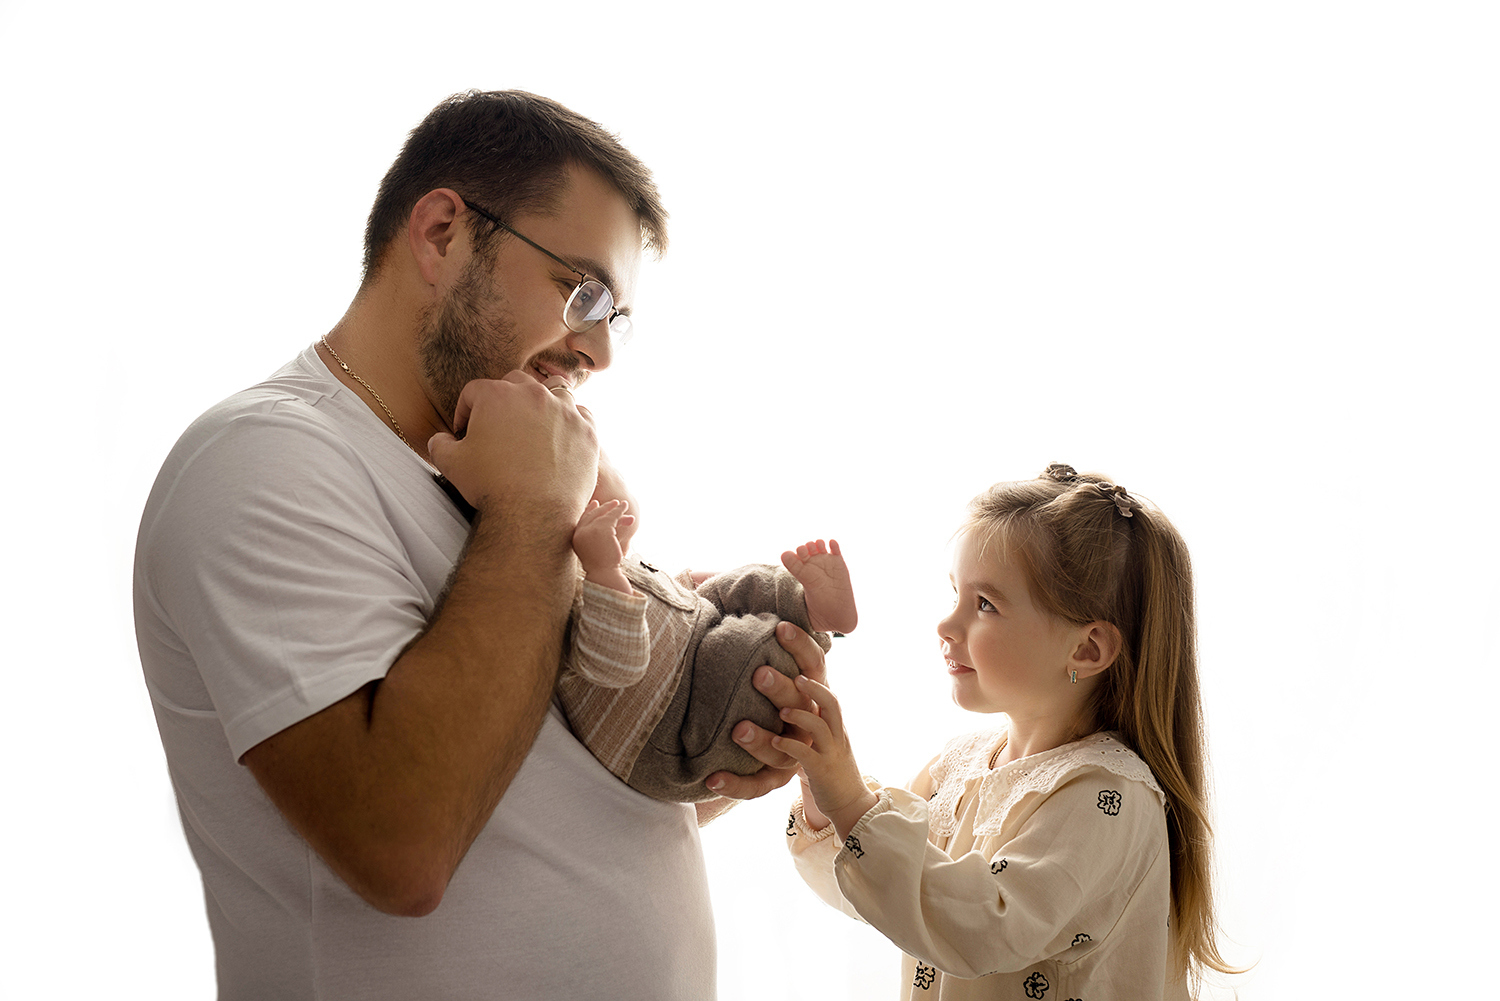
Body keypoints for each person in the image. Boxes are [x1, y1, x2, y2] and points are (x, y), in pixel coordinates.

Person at [132, 89, 802, 1001]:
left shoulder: (502, 463)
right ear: (444, 232)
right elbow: (402, 844)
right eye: (584, 291)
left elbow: (540, 790)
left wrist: (713, 754)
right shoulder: (264, 460)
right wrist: (535, 509)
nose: (599, 351)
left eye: (617, 314)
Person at [771, 465, 1239, 999]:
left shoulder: (1110, 794)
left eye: (985, 604)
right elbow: (886, 891)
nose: (946, 625)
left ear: (1086, 650)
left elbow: (983, 929)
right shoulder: (959, 765)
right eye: (955, 594)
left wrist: (851, 800)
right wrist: (822, 797)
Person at [562, 456, 858, 801]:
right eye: (592, 464)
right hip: (669, 731)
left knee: (742, 582)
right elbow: (617, 664)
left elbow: (679, 607)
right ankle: (803, 625)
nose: (604, 466)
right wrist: (601, 568)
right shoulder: (569, 585)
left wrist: (703, 589)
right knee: (736, 644)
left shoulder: (628, 565)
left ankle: (815, 613)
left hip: (695, 672)